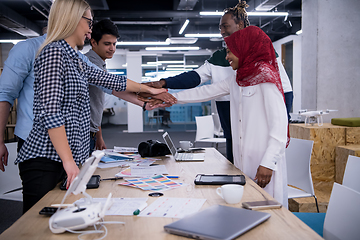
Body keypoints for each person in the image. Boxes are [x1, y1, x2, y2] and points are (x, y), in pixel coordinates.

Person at [11, 0, 171, 213]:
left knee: (60, 219)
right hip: (45, 158)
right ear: (72, 19)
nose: (90, 30)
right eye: (88, 22)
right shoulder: (52, 53)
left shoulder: (74, 58)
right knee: (35, 225)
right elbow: (50, 113)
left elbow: (110, 80)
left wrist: (149, 90)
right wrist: (69, 162)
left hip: (65, 156)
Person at [143, 0, 293, 163]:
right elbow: (199, 84)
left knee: (259, 164)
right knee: (235, 163)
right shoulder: (224, 63)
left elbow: (285, 91)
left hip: (259, 124)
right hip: (231, 118)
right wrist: (165, 85)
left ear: (240, 25)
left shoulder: (265, 61)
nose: (221, 31)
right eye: (220, 27)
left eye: (225, 26)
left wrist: (279, 130)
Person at [160, 26, 289, 207]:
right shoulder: (237, 78)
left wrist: (269, 163)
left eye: (230, 52)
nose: (227, 57)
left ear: (244, 49)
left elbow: (280, 126)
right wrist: (171, 98)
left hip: (264, 161)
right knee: (247, 206)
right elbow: (205, 92)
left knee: (269, 209)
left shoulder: (266, 78)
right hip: (243, 158)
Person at [85, 19, 119, 153]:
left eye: (114, 44)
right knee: (81, 172)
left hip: (92, 132)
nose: (112, 48)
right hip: (84, 133)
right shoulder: (88, 64)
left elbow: (94, 104)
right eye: (107, 44)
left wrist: (98, 136)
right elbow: (115, 87)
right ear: (93, 42)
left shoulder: (100, 64)